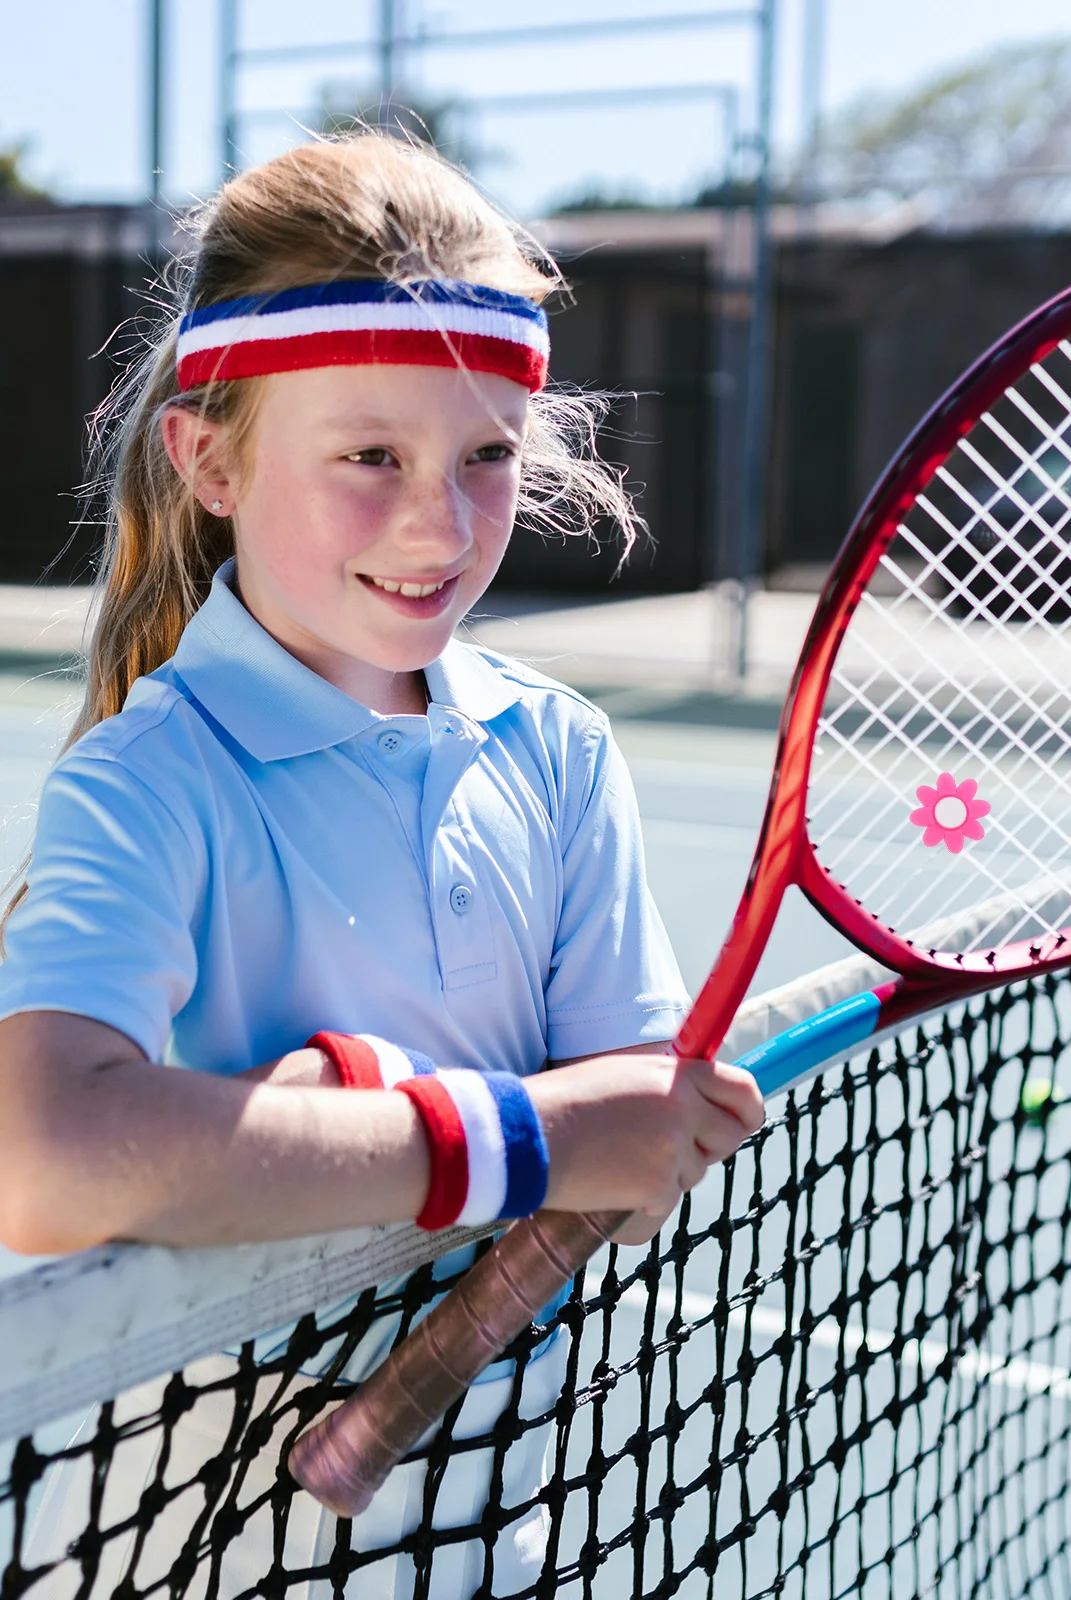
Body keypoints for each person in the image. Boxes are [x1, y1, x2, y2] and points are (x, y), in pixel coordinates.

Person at [0, 132, 764, 1596]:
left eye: (486, 456)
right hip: (192, 1538)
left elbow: (624, 1126)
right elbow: (45, 1158)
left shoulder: (556, 750)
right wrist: (513, 1139)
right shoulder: (153, 778)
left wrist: (616, 1130)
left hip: (501, 1513)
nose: (440, 520)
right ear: (209, 457)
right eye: (371, 456)